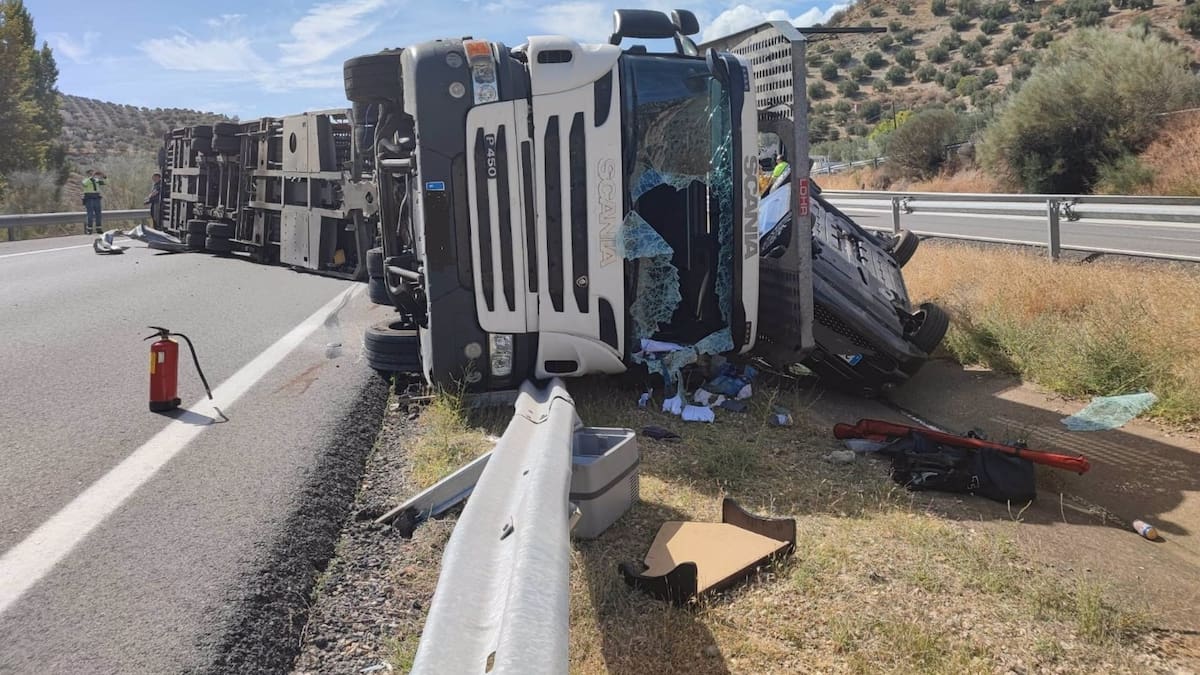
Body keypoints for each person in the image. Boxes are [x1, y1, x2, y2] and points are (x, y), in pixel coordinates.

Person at [82, 169, 107, 234]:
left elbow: (105, 183)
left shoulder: (97, 180)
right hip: (89, 199)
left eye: (93, 173)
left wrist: (103, 176)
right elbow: (84, 184)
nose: (93, 174)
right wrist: (92, 177)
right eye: (90, 173)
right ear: (87, 174)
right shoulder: (85, 180)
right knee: (90, 214)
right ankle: (89, 229)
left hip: (97, 198)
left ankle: (99, 229)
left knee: (98, 214)